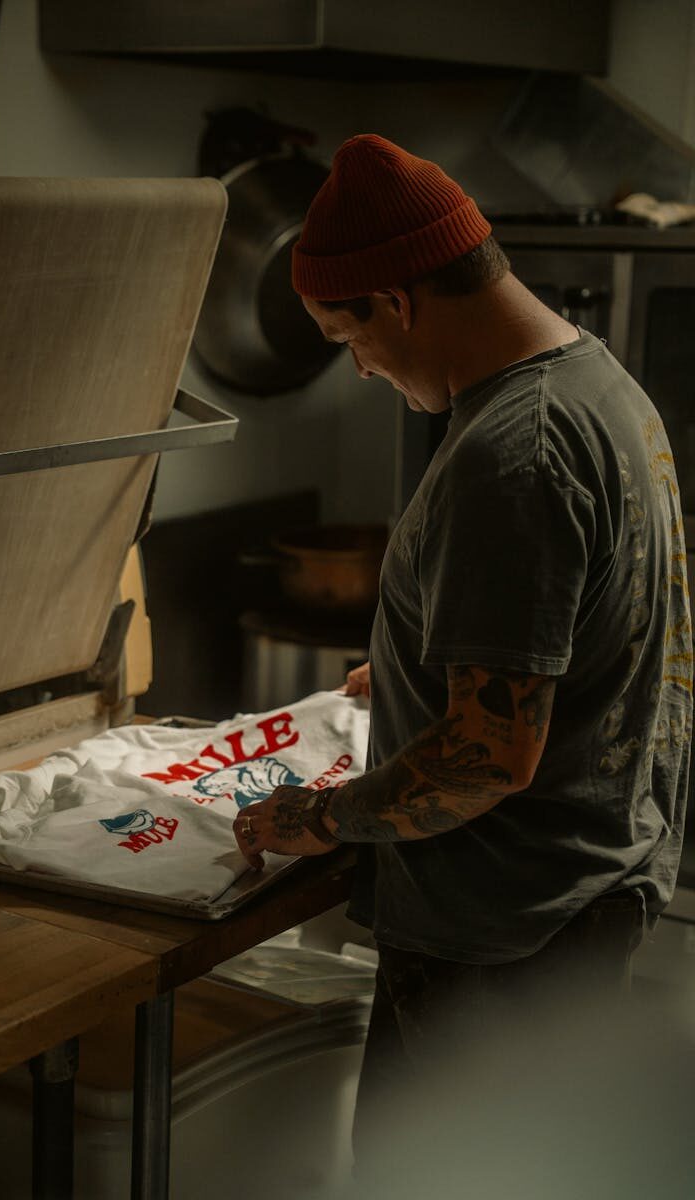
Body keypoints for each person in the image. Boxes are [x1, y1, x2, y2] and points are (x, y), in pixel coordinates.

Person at [231, 134, 692, 1180]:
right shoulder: (597, 383)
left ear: (397, 301)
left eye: (347, 336)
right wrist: (413, 673)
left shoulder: (511, 453)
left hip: (502, 941)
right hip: (582, 901)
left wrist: (318, 817)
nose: (359, 367)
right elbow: (596, 629)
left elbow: (486, 759)